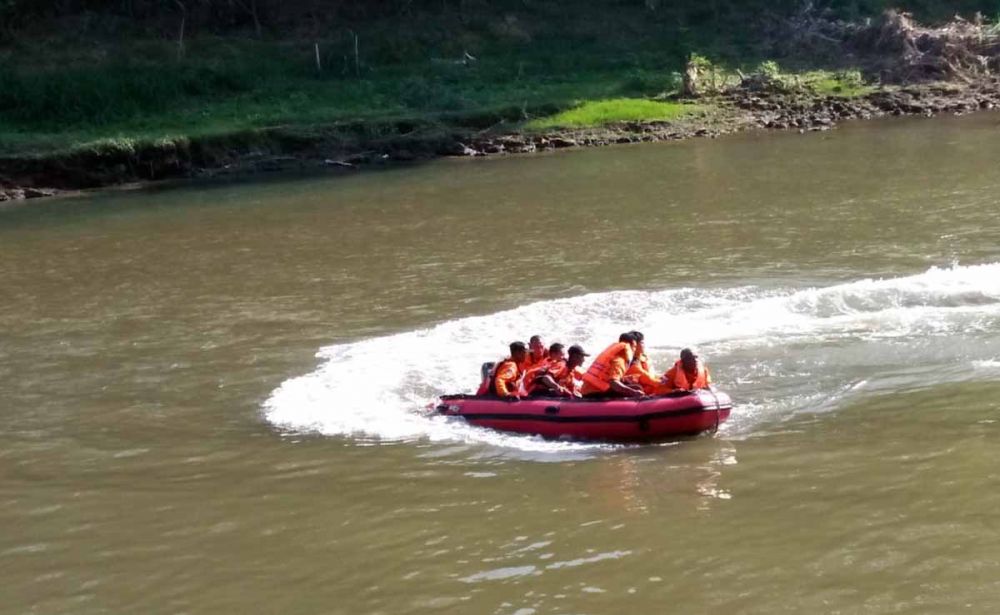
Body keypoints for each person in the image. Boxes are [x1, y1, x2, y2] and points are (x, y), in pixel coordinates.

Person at [580, 332, 644, 398]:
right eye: (635, 347)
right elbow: (614, 383)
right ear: (631, 345)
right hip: (594, 393)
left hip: (589, 390)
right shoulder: (619, 360)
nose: (635, 350)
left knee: (633, 385)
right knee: (637, 388)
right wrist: (633, 392)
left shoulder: (614, 355)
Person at [623, 330, 660, 395]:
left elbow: (652, 376)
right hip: (641, 391)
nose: (644, 345)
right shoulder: (631, 365)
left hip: (649, 383)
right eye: (642, 343)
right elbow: (651, 380)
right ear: (634, 345)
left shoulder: (643, 357)